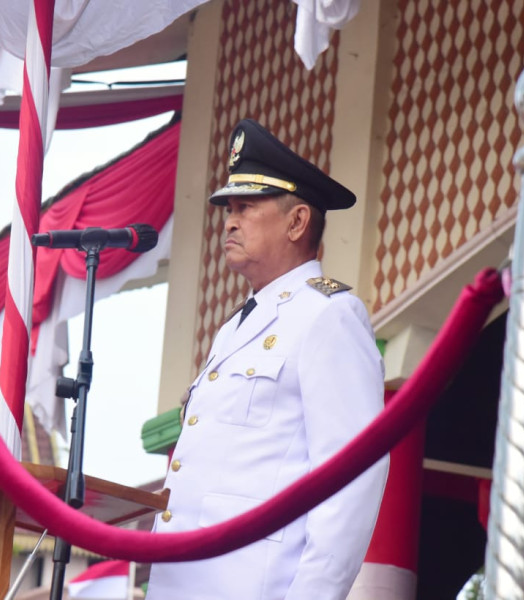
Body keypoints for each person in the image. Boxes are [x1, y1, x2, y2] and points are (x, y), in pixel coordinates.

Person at [146, 119, 389, 599]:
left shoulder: (329, 316)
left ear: (298, 222)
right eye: (228, 209)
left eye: (246, 207)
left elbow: (352, 475)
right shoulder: (235, 327)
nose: (230, 221)